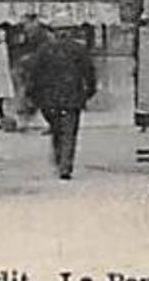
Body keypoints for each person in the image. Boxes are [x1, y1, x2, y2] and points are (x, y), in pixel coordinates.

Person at [21, 26, 96, 180]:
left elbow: (34, 74)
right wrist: (89, 92)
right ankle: (65, 166)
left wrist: (31, 95)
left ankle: (59, 159)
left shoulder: (45, 50)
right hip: (72, 98)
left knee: (56, 130)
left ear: (54, 32)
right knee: (68, 132)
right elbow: (89, 72)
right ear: (70, 32)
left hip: (49, 100)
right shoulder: (78, 49)